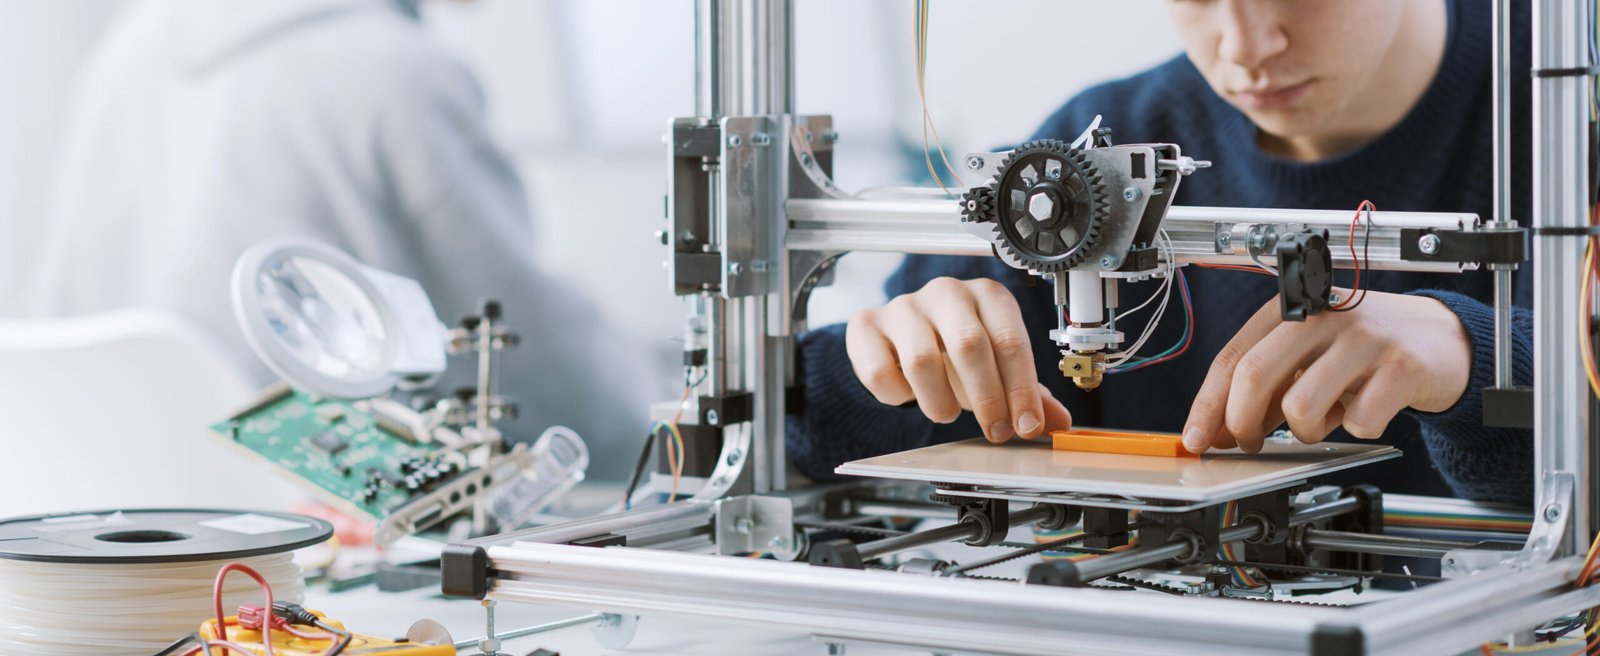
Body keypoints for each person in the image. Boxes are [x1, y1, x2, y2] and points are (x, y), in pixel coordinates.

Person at [790, 0, 1535, 506]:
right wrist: (883, 373)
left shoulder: (1564, 106)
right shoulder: (1098, 140)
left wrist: (1480, 363)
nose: (1245, 47)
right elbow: (803, 440)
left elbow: (1575, 493)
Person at [6, 0, 652, 480]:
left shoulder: (128, 50)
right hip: (336, 528)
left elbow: (60, 315)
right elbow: (570, 394)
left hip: (136, 508)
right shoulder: (401, 72)